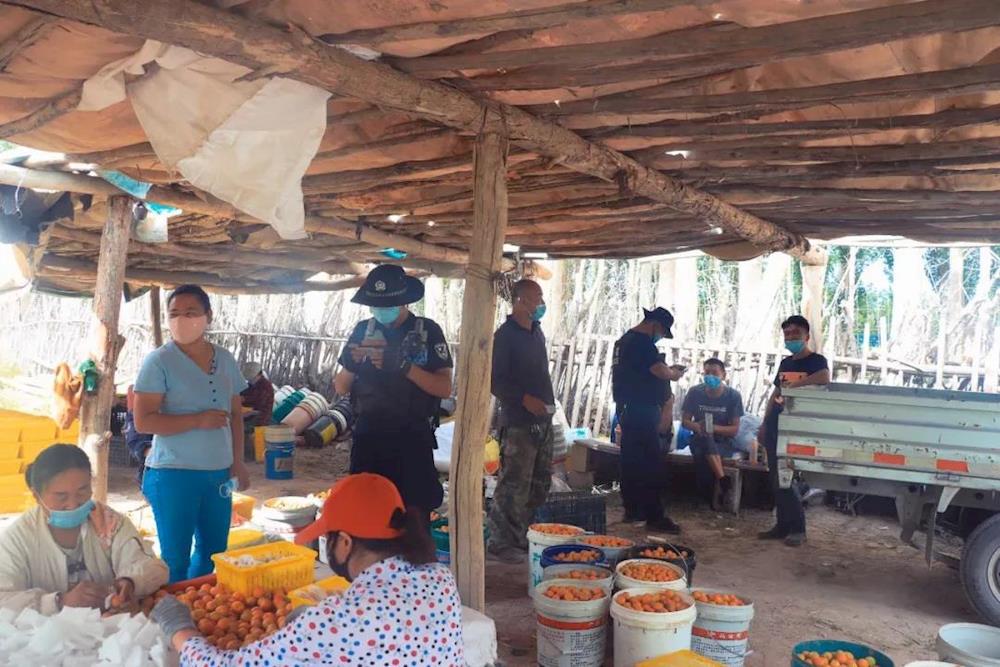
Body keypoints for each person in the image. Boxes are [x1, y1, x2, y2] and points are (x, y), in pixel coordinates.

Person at [151, 473, 465, 666]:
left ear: (345, 542)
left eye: (328, 538)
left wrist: (181, 630)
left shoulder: (337, 620)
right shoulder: (440, 578)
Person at [133, 284, 250, 582]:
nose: (181, 320)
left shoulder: (225, 359)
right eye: (174, 314)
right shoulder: (159, 361)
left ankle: (194, 601)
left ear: (208, 316)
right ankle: (174, 607)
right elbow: (143, 421)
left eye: (190, 312)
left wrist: (238, 462)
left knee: (214, 550)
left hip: (218, 473)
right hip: (173, 473)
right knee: (175, 558)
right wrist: (197, 420)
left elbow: (236, 414)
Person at [334, 265, 453, 518]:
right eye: (375, 305)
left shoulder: (427, 331)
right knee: (366, 512)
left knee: (412, 516)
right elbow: (341, 387)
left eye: (387, 305)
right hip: (368, 437)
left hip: (411, 439)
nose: (380, 311)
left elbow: (444, 387)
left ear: (404, 301)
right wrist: (351, 365)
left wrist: (404, 367)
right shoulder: (363, 330)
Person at [0, 444, 168, 614]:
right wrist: (59, 601)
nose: (73, 504)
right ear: (37, 496)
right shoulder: (18, 539)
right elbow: (3, 598)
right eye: (61, 496)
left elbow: (154, 568)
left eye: (82, 491)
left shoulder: (110, 523)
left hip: (110, 625)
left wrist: (130, 582)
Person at [486, 279, 555, 564]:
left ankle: (523, 535)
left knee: (539, 482)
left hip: (543, 419)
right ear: (521, 301)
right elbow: (494, 380)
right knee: (514, 483)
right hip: (518, 422)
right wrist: (524, 399)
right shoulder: (504, 337)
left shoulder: (536, 332)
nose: (541, 303)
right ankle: (501, 541)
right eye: (537, 297)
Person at [758, 315, 830, 547]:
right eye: (787, 334)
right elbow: (776, 393)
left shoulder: (816, 361)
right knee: (776, 477)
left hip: (799, 428)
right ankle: (782, 526)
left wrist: (794, 387)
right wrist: (765, 423)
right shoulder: (785, 364)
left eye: (795, 334)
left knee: (787, 477)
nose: (790, 338)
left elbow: (824, 377)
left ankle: (798, 529)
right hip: (776, 423)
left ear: (806, 336)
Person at [611, 307, 685, 533]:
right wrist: (674, 373)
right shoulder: (641, 343)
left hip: (627, 407)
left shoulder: (624, 341)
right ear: (655, 325)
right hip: (641, 409)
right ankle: (654, 516)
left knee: (631, 461)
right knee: (651, 463)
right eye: (662, 332)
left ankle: (633, 510)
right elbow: (659, 371)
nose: (660, 336)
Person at [681, 358, 745, 509]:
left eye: (715, 373)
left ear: (723, 375)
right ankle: (722, 481)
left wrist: (713, 428)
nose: (710, 376)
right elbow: (685, 421)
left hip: (723, 442)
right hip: (698, 437)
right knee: (704, 439)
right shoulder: (695, 392)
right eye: (707, 373)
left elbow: (734, 430)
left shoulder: (733, 396)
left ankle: (705, 495)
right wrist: (698, 427)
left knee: (703, 449)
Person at [239, 361, 274, 426]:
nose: (250, 380)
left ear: (258, 375)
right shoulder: (251, 384)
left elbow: (259, 402)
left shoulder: (266, 386)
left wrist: (244, 399)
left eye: (251, 378)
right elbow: (243, 393)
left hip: (260, 419)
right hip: (248, 415)